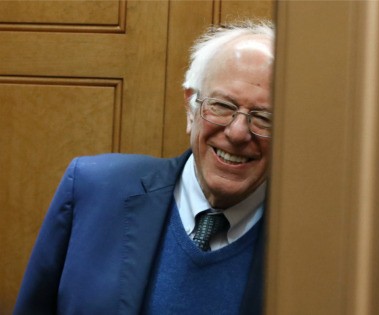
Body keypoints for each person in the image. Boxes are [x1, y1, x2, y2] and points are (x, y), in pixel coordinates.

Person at [14, 20, 274, 315]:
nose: (238, 133)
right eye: (222, 106)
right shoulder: (93, 190)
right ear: (191, 108)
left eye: (264, 118)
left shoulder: (307, 249)